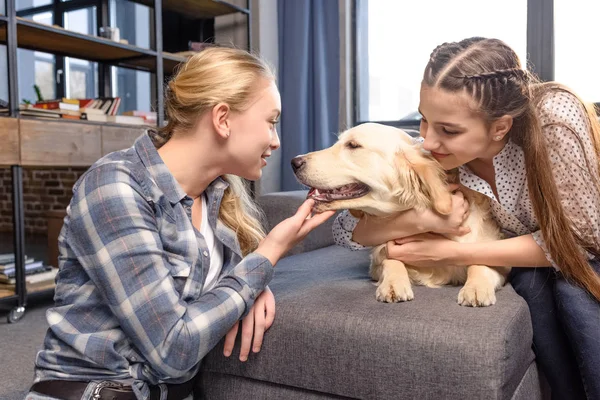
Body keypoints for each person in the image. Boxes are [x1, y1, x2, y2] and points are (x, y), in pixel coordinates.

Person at [25, 47, 334, 400]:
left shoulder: (219, 195)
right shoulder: (114, 188)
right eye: (271, 121)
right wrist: (266, 257)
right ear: (222, 119)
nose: (277, 141)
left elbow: (223, 294)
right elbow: (173, 349)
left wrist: (252, 281)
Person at [333, 37, 600, 400]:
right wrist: (422, 223)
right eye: (423, 121)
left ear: (500, 128)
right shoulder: (438, 154)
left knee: (572, 294)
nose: (426, 141)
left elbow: (581, 240)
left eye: (448, 130)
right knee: (534, 293)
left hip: (587, 248)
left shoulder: (555, 120)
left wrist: (448, 251)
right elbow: (346, 229)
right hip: (530, 261)